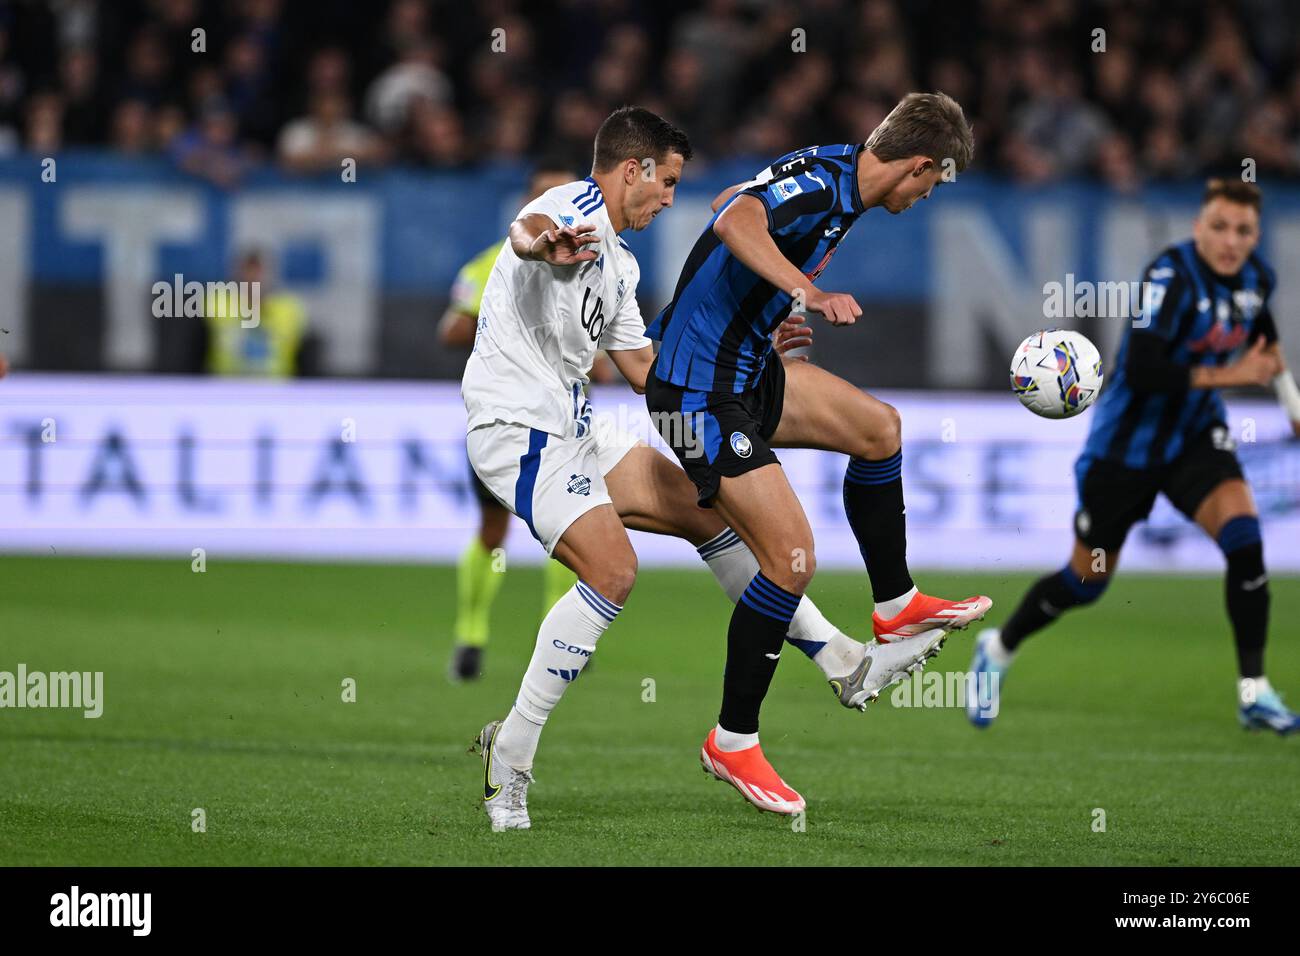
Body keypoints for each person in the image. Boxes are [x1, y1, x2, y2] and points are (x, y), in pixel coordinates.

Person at [463, 106, 948, 831]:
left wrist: (755, 341)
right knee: (612, 571)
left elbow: (640, 370)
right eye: (666, 183)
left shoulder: (620, 267)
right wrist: (547, 245)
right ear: (633, 169)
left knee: (706, 515)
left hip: (574, 428)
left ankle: (844, 658)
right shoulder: (575, 206)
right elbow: (524, 232)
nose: (669, 199)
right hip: (515, 429)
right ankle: (513, 753)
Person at [644, 92, 992, 812]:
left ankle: (895, 604)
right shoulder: (821, 187)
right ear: (921, 164)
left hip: (744, 368)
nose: (929, 195)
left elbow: (733, 193)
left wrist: (764, 315)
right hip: (694, 391)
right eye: (935, 182)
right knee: (792, 558)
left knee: (879, 429)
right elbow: (732, 216)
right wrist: (806, 290)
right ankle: (732, 740)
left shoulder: (837, 172)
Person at [967, 178, 1300, 734]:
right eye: (1219, 226)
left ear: (1255, 236)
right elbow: (1145, 370)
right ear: (1198, 228)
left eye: (1243, 231)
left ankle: (1254, 691)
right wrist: (1236, 375)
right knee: (1086, 583)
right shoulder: (1168, 278)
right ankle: (998, 647)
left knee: (1245, 543)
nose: (1230, 240)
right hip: (1124, 453)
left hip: (1195, 440)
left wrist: (1290, 399)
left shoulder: (1255, 279)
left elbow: (1265, 340)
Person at [441, 163, 593, 682]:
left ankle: (559, 639)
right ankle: (471, 636)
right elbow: (452, 330)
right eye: (541, 195)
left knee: (569, 525)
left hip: (564, 420)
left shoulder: (591, 264)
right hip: (506, 420)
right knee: (493, 529)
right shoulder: (491, 266)